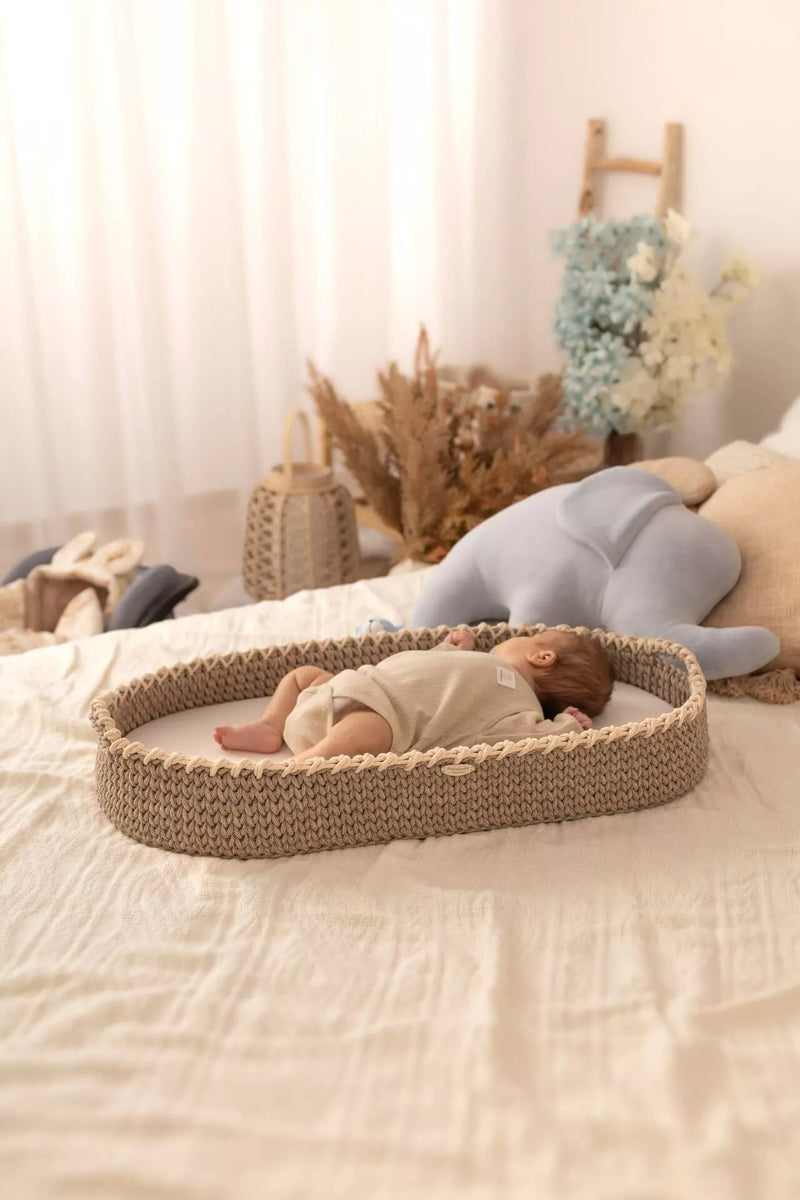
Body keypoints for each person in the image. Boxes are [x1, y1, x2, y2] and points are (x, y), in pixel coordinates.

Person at [213, 627, 614, 761]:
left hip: (380, 718)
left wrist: (565, 727)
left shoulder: (521, 706)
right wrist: (450, 648)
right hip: (345, 689)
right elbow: (428, 669)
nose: (513, 637)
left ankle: (310, 762)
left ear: (542, 656)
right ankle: (271, 727)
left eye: (529, 636)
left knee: (368, 729)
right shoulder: (477, 660)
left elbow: (524, 738)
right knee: (303, 676)